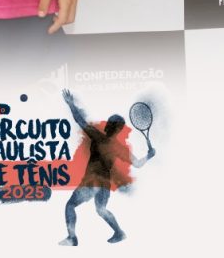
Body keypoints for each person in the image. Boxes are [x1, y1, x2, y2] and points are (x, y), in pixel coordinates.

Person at [60, 89, 156, 246]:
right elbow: (138, 164)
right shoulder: (120, 148)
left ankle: (72, 238)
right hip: (104, 185)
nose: (107, 124)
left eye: (110, 123)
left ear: (112, 127)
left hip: (91, 181)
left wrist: (70, 104)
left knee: (70, 205)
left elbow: (80, 120)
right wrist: (149, 156)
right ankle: (119, 232)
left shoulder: (98, 137)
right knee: (101, 209)